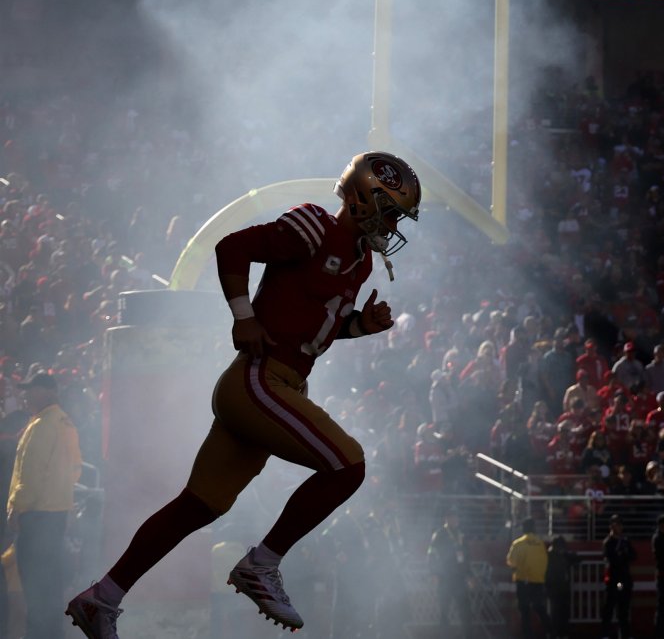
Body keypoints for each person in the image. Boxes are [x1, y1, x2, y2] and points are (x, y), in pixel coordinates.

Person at [66, 151, 422, 637]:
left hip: (277, 382)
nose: (394, 223)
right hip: (258, 379)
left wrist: (362, 326)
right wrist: (244, 317)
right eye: (392, 210)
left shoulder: (360, 261)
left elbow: (315, 325)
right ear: (364, 196)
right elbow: (232, 247)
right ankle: (262, 563)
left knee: (199, 505)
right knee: (348, 464)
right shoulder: (315, 226)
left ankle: (101, 597)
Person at [6, 372, 81, 639]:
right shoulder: (66, 423)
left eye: (32, 390)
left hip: (36, 517)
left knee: (36, 591)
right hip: (57, 515)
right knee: (51, 588)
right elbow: (75, 469)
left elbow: (30, 474)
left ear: (49, 392)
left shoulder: (41, 425)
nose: (26, 395)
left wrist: (17, 507)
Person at [428, 508, 471, 637]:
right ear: (446, 519)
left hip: (459, 577)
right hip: (444, 577)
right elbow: (431, 554)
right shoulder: (439, 534)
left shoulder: (461, 534)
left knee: (465, 609)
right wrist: (433, 573)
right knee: (444, 610)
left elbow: (467, 556)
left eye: (456, 517)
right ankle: (444, 636)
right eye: (452, 517)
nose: (455, 520)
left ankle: (467, 636)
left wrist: (469, 574)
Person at [507, 517, 550, 639]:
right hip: (538, 581)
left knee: (524, 610)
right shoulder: (540, 543)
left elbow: (511, 561)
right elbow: (544, 561)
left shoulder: (518, 543)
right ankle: (551, 631)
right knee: (539, 607)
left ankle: (528, 635)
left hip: (523, 581)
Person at [602, 514, 637, 639]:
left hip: (624, 578)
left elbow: (633, 556)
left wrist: (624, 554)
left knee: (624, 609)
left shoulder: (625, 541)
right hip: (613, 579)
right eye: (615, 524)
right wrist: (621, 554)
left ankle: (625, 634)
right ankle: (605, 633)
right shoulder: (608, 542)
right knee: (609, 608)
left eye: (620, 524)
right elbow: (612, 557)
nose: (618, 527)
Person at [545, 535, 581, 639]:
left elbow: (577, 559)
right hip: (557, 588)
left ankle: (559, 633)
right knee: (558, 613)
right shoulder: (552, 555)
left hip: (558, 588)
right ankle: (558, 633)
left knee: (559, 612)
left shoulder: (551, 555)